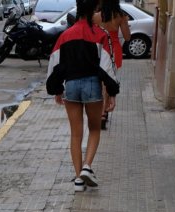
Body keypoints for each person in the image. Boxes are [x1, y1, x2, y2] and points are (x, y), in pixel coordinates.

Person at [46, 0, 119, 192]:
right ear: (94, 10)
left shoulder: (65, 35)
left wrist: (56, 89)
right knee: (94, 129)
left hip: (71, 86)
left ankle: (79, 179)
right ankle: (87, 166)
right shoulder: (100, 35)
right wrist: (112, 92)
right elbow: (107, 67)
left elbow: (55, 64)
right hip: (92, 86)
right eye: (99, 11)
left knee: (76, 134)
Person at [99, 0, 130, 129]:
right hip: (114, 50)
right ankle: (104, 113)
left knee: (100, 82)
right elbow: (127, 37)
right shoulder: (120, 16)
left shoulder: (97, 16)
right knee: (109, 82)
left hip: (101, 49)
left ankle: (100, 111)